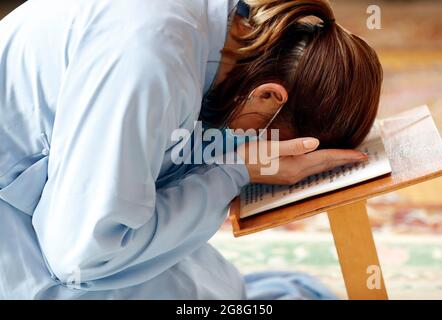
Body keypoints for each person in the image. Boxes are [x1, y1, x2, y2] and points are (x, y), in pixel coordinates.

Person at [0, 0, 382, 299]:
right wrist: (235, 171)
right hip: (31, 235)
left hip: (51, 196)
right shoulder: (150, 59)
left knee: (218, 288)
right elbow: (82, 256)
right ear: (269, 96)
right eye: (276, 148)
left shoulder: (215, 26)